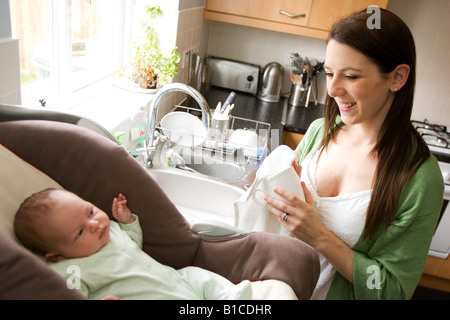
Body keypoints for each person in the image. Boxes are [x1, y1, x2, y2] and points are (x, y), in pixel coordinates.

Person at [264, 8, 444, 299]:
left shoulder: (420, 179)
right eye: (330, 73)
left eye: (350, 76)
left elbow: (393, 291)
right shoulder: (318, 132)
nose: (333, 89)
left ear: (397, 77)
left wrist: (320, 237)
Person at [14, 188, 296, 300]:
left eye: (90, 211)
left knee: (195, 274)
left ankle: (235, 298)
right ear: (57, 254)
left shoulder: (110, 231)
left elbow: (133, 243)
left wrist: (126, 222)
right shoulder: (71, 269)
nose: (95, 224)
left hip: (175, 281)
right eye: (79, 233)